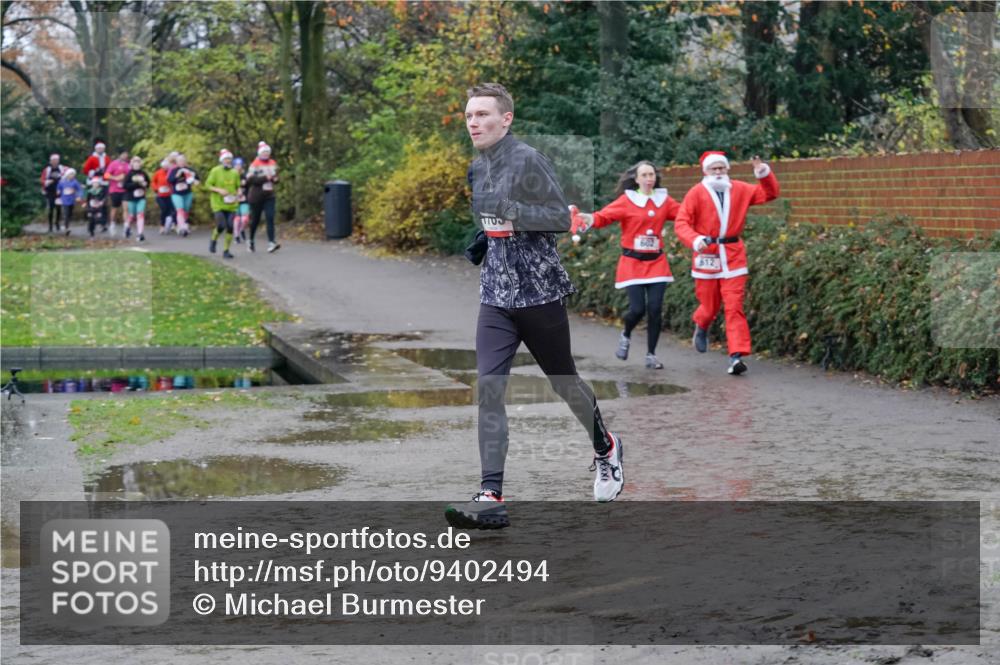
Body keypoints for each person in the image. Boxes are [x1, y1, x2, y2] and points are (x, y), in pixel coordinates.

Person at [444, 83, 624, 531]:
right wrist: (484, 240)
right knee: (488, 389)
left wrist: (512, 212)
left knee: (564, 383)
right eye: (469, 115)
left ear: (506, 119)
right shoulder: (477, 167)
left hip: (539, 295)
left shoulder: (527, 159)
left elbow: (561, 218)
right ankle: (491, 495)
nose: (473, 122)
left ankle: (605, 448)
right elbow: (497, 220)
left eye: (483, 114)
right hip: (496, 299)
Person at [673, 151, 780, 375]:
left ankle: (736, 356)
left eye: (722, 168)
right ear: (706, 171)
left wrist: (763, 173)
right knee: (710, 306)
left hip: (733, 256)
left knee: (734, 307)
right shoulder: (696, 193)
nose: (719, 172)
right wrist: (695, 239)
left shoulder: (740, 189)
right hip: (707, 256)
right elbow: (681, 222)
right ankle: (701, 324)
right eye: (714, 169)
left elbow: (770, 194)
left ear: (728, 170)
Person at [571, 161, 681, 369]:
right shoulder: (627, 200)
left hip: (657, 263)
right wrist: (588, 218)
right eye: (645, 175)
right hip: (632, 263)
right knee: (637, 309)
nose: (650, 178)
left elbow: (685, 215)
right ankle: (626, 333)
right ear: (636, 179)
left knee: (655, 309)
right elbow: (604, 216)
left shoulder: (663, 200)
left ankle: (651, 355)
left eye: (652, 175)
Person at [204, 149, 241, 259]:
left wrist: (239, 193)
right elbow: (207, 185)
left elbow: (238, 186)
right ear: (221, 160)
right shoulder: (215, 171)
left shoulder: (235, 172)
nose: (228, 161)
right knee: (221, 225)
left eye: (229, 159)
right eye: (226, 158)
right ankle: (214, 239)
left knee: (230, 226)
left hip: (231, 204)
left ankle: (226, 250)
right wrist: (219, 190)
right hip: (218, 204)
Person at [245, 141, 280, 253]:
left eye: (267, 152)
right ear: (259, 153)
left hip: (269, 195)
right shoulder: (255, 164)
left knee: (270, 217)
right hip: (256, 196)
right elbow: (250, 180)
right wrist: (266, 178)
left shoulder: (273, 162)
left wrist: (275, 179)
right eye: (264, 152)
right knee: (256, 220)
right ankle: (250, 240)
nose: (266, 154)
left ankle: (271, 243)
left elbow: (276, 176)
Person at [168, 153, 198, 236]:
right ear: (177, 162)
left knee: (186, 210)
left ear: (185, 161)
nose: (181, 162)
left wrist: (195, 181)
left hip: (187, 193)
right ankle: (182, 227)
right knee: (180, 209)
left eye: (183, 160)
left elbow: (197, 180)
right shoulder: (174, 170)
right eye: (179, 160)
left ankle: (184, 224)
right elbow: (170, 181)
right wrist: (177, 176)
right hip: (176, 194)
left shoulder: (189, 170)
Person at [122, 156, 150, 242]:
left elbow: (148, 183)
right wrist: (136, 184)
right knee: (131, 215)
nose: (137, 164)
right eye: (135, 162)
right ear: (132, 164)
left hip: (141, 197)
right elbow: (125, 186)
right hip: (131, 198)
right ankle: (127, 226)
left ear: (140, 164)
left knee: (140, 214)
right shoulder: (129, 174)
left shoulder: (144, 173)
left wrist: (145, 184)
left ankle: (140, 233)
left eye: (138, 162)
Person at [103, 148, 130, 237]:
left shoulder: (128, 165)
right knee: (114, 208)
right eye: (124, 154)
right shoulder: (113, 164)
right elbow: (106, 175)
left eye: (126, 154)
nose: (125, 156)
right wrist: (116, 178)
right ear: (120, 155)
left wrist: (126, 177)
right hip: (114, 189)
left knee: (126, 208)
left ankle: (126, 227)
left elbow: (130, 175)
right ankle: (112, 224)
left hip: (125, 190)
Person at [39, 154, 66, 233]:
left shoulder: (62, 168)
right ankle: (50, 226)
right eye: (53, 160)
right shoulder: (47, 170)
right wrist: (47, 182)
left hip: (59, 192)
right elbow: (42, 180)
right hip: (50, 191)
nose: (55, 162)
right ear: (50, 161)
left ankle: (57, 223)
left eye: (56, 160)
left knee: (58, 208)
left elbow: (68, 175)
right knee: (51, 208)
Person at [152, 156, 176, 234]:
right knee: (164, 209)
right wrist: (156, 188)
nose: (165, 167)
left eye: (167, 166)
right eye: (164, 166)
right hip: (160, 195)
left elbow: (173, 181)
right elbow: (153, 182)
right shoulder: (158, 173)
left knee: (171, 210)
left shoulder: (171, 172)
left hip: (169, 194)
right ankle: (162, 226)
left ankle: (169, 224)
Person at [56, 168, 83, 236]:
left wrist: (79, 196)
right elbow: (58, 188)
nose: (73, 175)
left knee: (70, 214)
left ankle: (66, 225)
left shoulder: (75, 182)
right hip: (64, 200)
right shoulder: (62, 181)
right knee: (66, 214)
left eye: (73, 174)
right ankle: (66, 228)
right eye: (71, 174)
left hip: (71, 200)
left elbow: (79, 189)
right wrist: (58, 191)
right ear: (67, 174)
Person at [84, 172, 108, 238]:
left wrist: (102, 202)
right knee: (91, 219)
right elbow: (87, 200)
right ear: (92, 184)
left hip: (99, 208)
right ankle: (91, 231)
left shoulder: (101, 191)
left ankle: (102, 226)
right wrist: (86, 206)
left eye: (97, 183)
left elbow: (104, 198)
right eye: (94, 183)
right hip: (91, 208)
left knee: (98, 218)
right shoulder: (89, 191)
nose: (95, 184)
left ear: (99, 184)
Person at [232, 157, 249, 244]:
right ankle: (236, 236)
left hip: (245, 200)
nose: (238, 167)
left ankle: (242, 230)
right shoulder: (230, 175)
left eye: (240, 165)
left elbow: (250, 186)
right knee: (237, 219)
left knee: (245, 219)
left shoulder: (245, 175)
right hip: (234, 200)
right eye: (236, 165)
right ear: (233, 166)